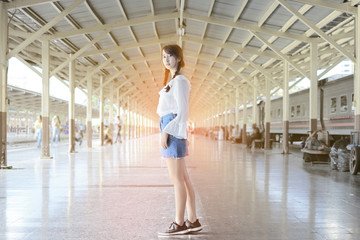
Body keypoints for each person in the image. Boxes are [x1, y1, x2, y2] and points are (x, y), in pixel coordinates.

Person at [157, 44, 202, 236]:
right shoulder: (173, 81)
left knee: (177, 180)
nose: (166, 60)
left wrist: (167, 130)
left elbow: (183, 112)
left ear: (178, 58)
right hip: (172, 128)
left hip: (172, 129)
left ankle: (179, 222)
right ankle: (192, 220)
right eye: (164, 57)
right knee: (183, 179)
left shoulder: (181, 81)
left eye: (170, 56)